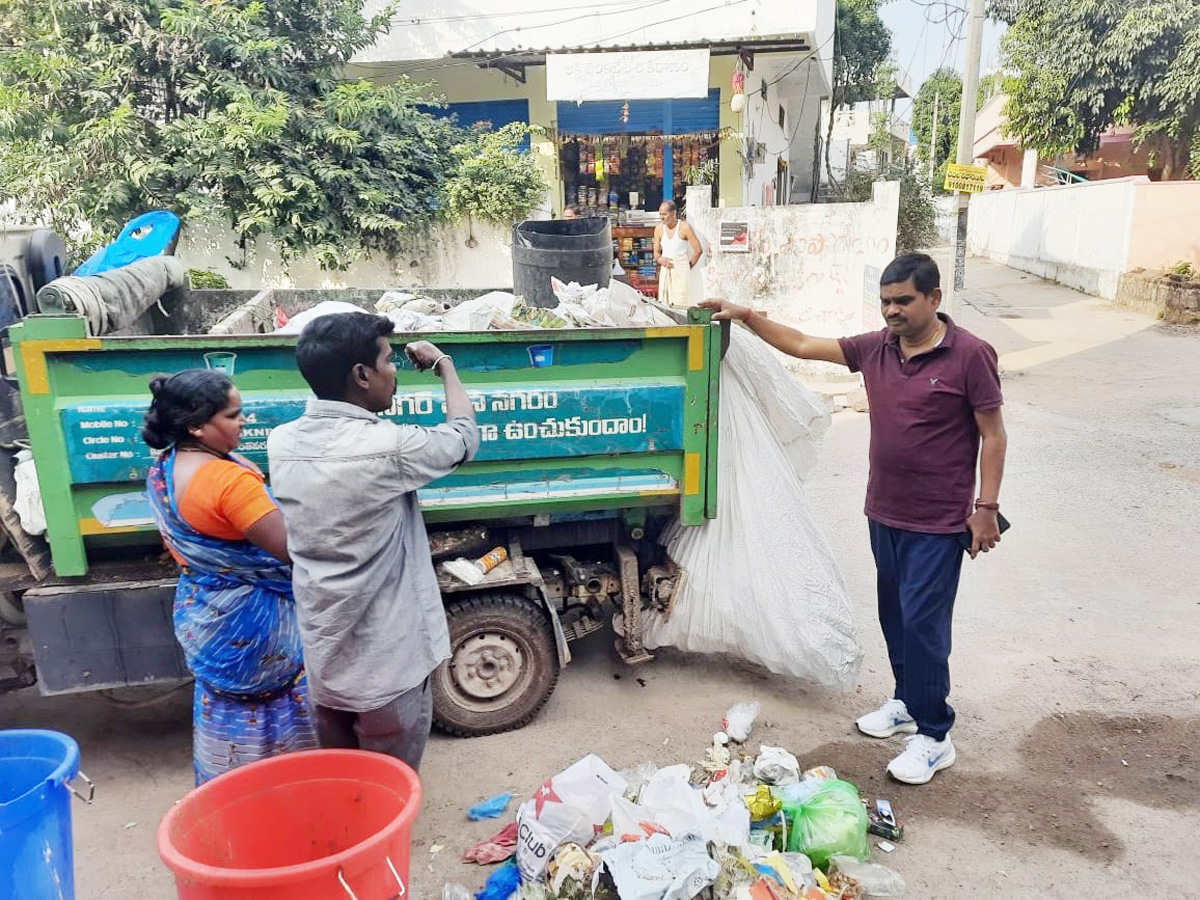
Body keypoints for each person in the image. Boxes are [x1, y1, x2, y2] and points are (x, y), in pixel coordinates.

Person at [702, 252, 1007, 785]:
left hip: (939, 521)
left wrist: (986, 509)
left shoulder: (970, 355)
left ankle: (935, 735)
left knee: (924, 626)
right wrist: (746, 315)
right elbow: (802, 345)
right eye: (886, 301)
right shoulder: (876, 348)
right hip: (884, 511)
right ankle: (908, 702)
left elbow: (993, 434)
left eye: (904, 301)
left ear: (934, 300)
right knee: (894, 614)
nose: (892, 311)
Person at [266, 313, 479, 771]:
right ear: (361, 375)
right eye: (387, 360)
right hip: (387, 666)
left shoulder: (281, 442)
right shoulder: (389, 447)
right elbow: (463, 437)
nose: (394, 370)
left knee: (342, 780)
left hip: (324, 660)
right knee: (388, 786)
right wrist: (444, 364)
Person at [142, 370, 317, 786]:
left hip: (204, 613)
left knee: (227, 716)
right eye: (233, 415)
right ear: (196, 425)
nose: (245, 421)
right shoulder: (229, 482)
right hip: (254, 628)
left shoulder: (165, 469)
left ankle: (230, 797)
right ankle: (293, 795)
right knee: (283, 716)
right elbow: (296, 553)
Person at [653, 200, 702, 307]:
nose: (662, 217)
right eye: (660, 214)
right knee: (664, 302)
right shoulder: (659, 229)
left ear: (673, 213)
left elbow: (698, 250)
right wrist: (661, 260)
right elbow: (656, 253)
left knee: (681, 302)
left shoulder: (684, 227)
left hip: (680, 269)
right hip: (666, 268)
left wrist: (687, 266)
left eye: (664, 214)